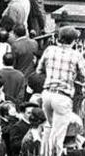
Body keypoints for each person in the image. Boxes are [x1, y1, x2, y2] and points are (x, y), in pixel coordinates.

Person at [37, 25, 85, 156]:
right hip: (62, 97)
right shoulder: (76, 55)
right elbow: (84, 75)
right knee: (57, 136)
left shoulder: (49, 50)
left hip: (47, 94)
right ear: (73, 41)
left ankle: (44, 153)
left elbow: (39, 70)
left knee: (49, 127)